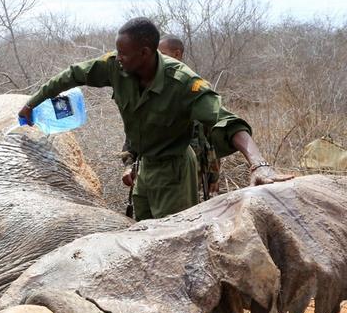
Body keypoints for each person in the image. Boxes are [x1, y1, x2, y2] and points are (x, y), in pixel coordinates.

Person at [18, 18, 292, 221]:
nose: (118, 58)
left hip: (174, 171)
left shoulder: (184, 83)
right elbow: (72, 75)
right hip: (144, 169)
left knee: (175, 241)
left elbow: (226, 121)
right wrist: (32, 103)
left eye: (124, 53)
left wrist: (259, 164)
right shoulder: (117, 67)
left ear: (146, 53)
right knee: (143, 234)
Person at [121, 34, 221, 204]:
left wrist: (214, 176)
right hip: (153, 169)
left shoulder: (197, 87)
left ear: (177, 54)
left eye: (161, 53)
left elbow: (212, 137)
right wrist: (129, 164)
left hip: (188, 170)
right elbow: (135, 132)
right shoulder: (148, 86)